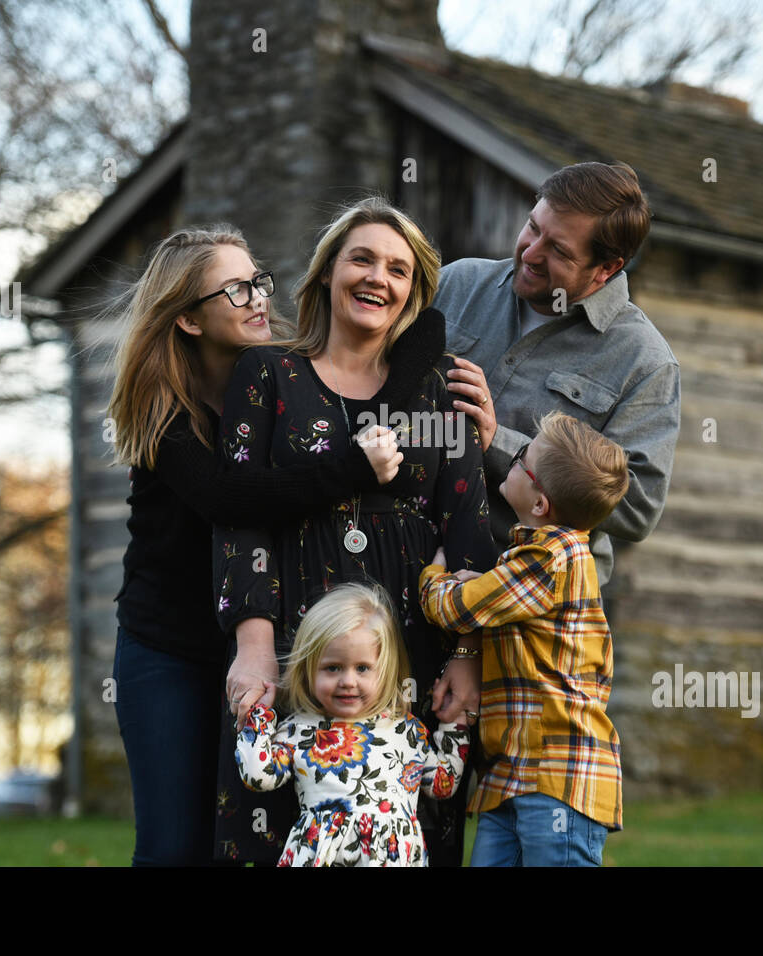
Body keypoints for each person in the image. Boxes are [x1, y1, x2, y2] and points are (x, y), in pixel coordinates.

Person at [106, 226, 431, 866]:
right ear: (190, 321)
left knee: (253, 832)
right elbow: (232, 498)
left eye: (257, 280)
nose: (257, 297)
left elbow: (426, 331)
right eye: (234, 290)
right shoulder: (162, 409)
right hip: (169, 648)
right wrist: (353, 469)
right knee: (174, 844)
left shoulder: (285, 378)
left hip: (268, 638)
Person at [212, 197, 496, 866]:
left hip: (408, 652)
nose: (378, 277)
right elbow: (239, 515)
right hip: (293, 643)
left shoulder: (439, 391)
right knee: (265, 825)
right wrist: (253, 646)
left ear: (413, 291)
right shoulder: (268, 376)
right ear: (327, 274)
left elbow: (467, 529)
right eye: (362, 258)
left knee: (410, 833)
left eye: (397, 269)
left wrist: (466, 655)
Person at [433, 160, 680, 589]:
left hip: (524, 611)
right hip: (407, 562)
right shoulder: (455, 284)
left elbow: (638, 507)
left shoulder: (645, 361)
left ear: (606, 269)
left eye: (559, 251)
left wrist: (502, 445)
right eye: (533, 227)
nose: (530, 252)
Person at [419, 411, 629, 867]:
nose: (509, 461)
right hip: (510, 777)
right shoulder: (533, 560)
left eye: (520, 459)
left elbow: (452, 607)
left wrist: (434, 572)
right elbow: (495, 599)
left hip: (558, 782)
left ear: (540, 504)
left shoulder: (550, 559)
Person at [235, 583, 468, 867]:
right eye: (333, 668)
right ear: (309, 669)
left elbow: (442, 785)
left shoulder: (405, 730)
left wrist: (455, 724)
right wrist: (260, 716)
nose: (348, 681)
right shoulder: (300, 729)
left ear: (385, 670)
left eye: (362, 668)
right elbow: (258, 776)